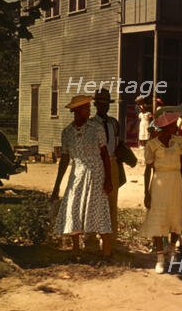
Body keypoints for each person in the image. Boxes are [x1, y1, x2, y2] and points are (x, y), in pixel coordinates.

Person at [50, 95, 113, 258]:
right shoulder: (67, 132)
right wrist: (57, 186)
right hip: (77, 173)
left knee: (99, 208)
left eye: (89, 107)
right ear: (77, 111)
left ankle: (107, 250)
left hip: (96, 173)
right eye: (86, 108)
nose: (89, 110)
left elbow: (105, 155)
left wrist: (108, 178)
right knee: (73, 207)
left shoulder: (96, 128)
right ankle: (76, 248)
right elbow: (64, 159)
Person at [141, 109, 182, 274]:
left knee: (175, 216)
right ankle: (160, 258)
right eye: (172, 125)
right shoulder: (152, 144)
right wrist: (146, 193)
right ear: (166, 127)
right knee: (158, 218)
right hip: (159, 184)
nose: (176, 127)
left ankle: (172, 250)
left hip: (175, 182)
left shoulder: (178, 141)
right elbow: (148, 170)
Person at [90, 89, 122, 242]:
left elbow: (117, 143)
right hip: (96, 163)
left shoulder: (113, 123)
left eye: (107, 104)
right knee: (94, 200)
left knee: (111, 201)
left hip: (112, 162)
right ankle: (90, 237)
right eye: (101, 104)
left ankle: (111, 239)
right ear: (96, 105)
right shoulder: (90, 124)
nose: (104, 107)